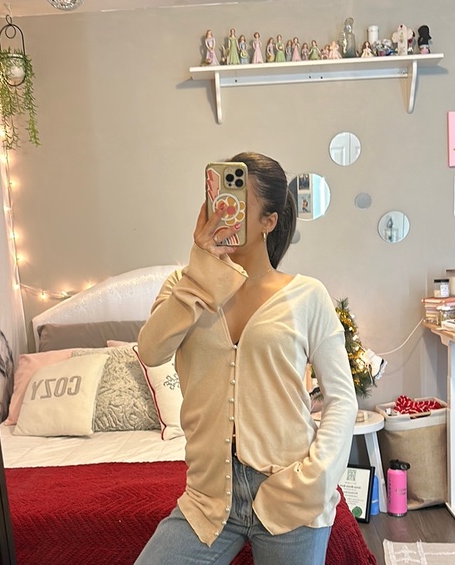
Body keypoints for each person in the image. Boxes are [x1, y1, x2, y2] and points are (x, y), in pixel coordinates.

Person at [135, 152, 358, 565]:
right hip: (207, 498)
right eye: (217, 198)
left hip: (289, 489)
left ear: (268, 221)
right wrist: (202, 270)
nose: (223, 210)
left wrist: (316, 479)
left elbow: (342, 398)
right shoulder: (186, 286)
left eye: (236, 201)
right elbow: (150, 351)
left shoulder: (308, 295)